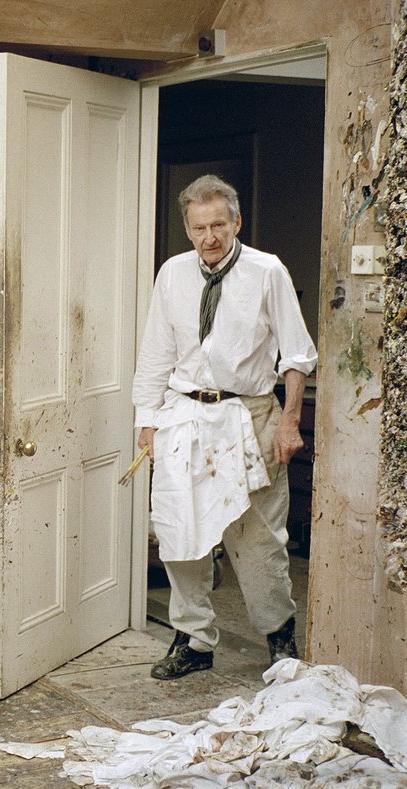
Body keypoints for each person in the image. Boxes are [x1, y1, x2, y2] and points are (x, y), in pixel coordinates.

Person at [132, 174, 318, 680]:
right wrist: (147, 420)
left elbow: (297, 354)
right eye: (199, 227)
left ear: (236, 221)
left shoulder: (267, 272)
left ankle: (279, 637)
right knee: (180, 532)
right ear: (188, 229)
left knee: (257, 538)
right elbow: (156, 353)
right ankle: (193, 639)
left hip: (249, 416)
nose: (209, 236)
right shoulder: (172, 274)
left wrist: (289, 422)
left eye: (219, 224)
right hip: (184, 417)